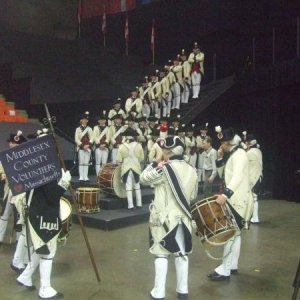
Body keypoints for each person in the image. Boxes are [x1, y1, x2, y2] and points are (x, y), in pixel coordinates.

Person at [140, 136, 198, 300]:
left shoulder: (164, 169)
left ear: (169, 152)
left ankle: (158, 293)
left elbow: (143, 179)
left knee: (161, 254)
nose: (162, 154)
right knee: (181, 254)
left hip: (163, 219)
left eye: (164, 151)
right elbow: (192, 195)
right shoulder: (192, 169)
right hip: (183, 218)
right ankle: (182, 290)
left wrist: (154, 163)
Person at [16, 168, 71, 299]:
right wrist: (64, 183)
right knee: (48, 253)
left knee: (42, 249)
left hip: (35, 213)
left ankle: (25, 276)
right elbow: (52, 196)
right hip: (43, 217)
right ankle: (45, 288)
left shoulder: (34, 170)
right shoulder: (46, 172)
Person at [207, 126, 253, 281]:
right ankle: (232, 265)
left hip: (238, 200)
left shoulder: (239, 155)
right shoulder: (234, 154)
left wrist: (226, 194)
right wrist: (219, 158)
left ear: (228, 144)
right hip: (237, 198)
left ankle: (224, 270)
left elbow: (238, 177)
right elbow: (224, 176)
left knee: (230, 235)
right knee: (236, 234)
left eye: (223, 145)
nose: (221, 147)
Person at [0, 130, 27, 247]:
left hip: (20, 191)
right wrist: (3, 174)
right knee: (4, 215)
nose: (12, 145)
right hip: (8, 189)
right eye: (11, 142)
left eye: (15, 143)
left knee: (19, 216)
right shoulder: (5, 157)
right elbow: (1, 171)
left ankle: (18, 240)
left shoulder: (25, 158)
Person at [117, 128, 144, 210]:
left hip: (126, 168)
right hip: (136, 168)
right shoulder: (139, 145)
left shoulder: (121, 147)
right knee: (137, 186)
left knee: (128, 187)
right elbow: (141, 158)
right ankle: (139, 204)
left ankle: (131, 205)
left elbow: (119, 160)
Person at [244, 133, 263, 224]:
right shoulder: (258, 151)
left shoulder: (249, 153)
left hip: (252, 178)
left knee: (252, 198)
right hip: (258, 177)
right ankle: (254, 217)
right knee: (254, 198)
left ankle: (253, 217)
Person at [74, 112, 94, 181]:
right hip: (81, 148)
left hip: (88, 147)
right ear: (81, 121)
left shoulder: (89, 129)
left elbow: (92, 138)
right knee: (81, 162)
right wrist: (83, 146)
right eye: (83, 119)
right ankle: (81, 176)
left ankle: (86, 176)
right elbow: (76, 139)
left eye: (86, 119)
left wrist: (88, 145)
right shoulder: (78, 129)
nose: (84, 121)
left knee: (86, 162)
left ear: (87, 121)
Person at [93, 111, 110, 176]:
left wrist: (105, 144)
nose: (102, 121)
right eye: (101, 120)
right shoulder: (95, 128)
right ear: (98, 121)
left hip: (105, 147)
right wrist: (99, 145)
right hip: (98, 147)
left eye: (103, 120)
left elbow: (108, 137)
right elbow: (95, 137)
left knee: (104, 163)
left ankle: (103, 175)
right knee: (98, 162)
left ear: (105, 121)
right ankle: (98, 175)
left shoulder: (107, 128)